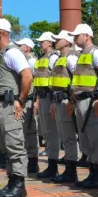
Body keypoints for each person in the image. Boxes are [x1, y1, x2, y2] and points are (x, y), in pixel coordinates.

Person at [0, 18, 33, 197]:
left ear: (1, 32)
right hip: (0, 104)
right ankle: (12, 180)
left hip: (11, 105)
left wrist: (20, 100)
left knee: (15, 144)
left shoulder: (13, 53)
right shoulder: (2, 53)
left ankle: (19, 184)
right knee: (5, 145)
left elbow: (27, 76)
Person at [69, 24, 98, 189]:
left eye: (77, 35)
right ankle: (92, 173)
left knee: (96, 139)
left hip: (92, 101)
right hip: (80, 100)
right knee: (86, 139)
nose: (74, 38)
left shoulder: (95, 52)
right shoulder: (81, 54)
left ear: (87, 35)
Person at [50, 30, 79, 183]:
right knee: (64, 137)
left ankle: (71, 171)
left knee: (69, 138)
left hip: (67, 101)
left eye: (59, 39)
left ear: (66, 42)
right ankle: (69, 168)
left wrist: (72, 101)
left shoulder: (71, 58)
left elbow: (77, 79)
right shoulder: (59, 59)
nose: (56, 41)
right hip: (58, 101)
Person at [33, 32, 60, 180]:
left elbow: (56, 79)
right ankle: (51, 164)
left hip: (50, 98)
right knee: (47, 133)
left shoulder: (53, 58)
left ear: (50, 43)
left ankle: (53, 165)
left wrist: (54, 102)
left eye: (42, 42)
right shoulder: (41, 59)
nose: (40, 44)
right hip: (42, 98)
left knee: (52, 132)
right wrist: (37, 100)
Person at [15, 38, 39, 174]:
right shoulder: (24, 60)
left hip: (30, 99)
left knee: (30, 132)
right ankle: (27, 160)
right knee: (23, 132)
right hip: (25, 99)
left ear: (27, 48)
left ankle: (33, 161)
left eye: (20, 45)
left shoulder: (32, 61)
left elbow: (35, 82)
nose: (18, 47)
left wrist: (36, 100)